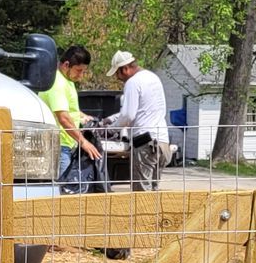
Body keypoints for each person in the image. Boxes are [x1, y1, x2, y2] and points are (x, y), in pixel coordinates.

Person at [106, 50, 170, 191]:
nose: (118, 78)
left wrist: (110, 130)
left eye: (117, 73)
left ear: (125, 69)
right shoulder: (153, 77)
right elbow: (141, 109)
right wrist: (110, 119)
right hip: (162, 141)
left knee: (141, 192)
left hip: (145, 143)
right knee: (153, 190)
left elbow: (128, 115)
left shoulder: (132, 82)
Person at [39, 43, 101, 184]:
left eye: (83, 71)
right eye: (79, 70)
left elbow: (68, 109)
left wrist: (82, 116)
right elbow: (63, 118)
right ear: (66, 65)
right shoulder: (57, 83)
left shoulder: (67, 80)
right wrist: (83, 142)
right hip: (59, 146)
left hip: (67, 144)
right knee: (63, 189)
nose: (81, 75)